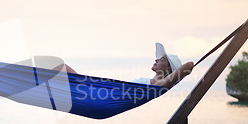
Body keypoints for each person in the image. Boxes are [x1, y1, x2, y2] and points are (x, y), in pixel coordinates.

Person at [53, 43, 194, 88]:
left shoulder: (161, 84)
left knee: (61, 67)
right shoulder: (156, 83)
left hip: (105, 94)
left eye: (161, 59)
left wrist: (175, 76)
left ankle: (36, 83)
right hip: (109, 90)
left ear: (169, 68)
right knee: (61, 68)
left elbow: (189, 65)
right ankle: (37, 82)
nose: (156, 60)